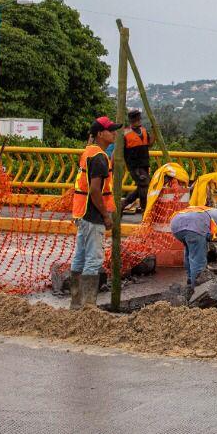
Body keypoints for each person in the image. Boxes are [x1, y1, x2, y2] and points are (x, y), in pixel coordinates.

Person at [68, 116, 121, 310]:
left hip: (82, 213)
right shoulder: (99, 157)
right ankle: (88, 305)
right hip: (94, 215)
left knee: (80, 257)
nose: (114, 133)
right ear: (100, 133)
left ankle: (76, 303)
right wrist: (106, 216)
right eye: (111, 130)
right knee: (94, 258)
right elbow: (95, 190)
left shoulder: (90, 152)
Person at [170, 201, 217, 286]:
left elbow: (208, 234)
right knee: (198, 259)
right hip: (194, 224)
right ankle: (198, 288)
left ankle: (190, 279)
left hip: (176, 223)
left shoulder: (208, 211)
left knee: (190, 251)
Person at [120, 110, 152, 214]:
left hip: (144, 164)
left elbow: (149, 144)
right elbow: (119, 151)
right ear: (131, 120)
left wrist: (154, 132)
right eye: (136, 119)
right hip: (135, 167)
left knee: (143, 187)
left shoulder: (143, 130)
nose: (138, 121)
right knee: (145, 186)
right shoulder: (125, 134)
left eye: (139, 119)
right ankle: (144, 210)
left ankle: (123, 204)